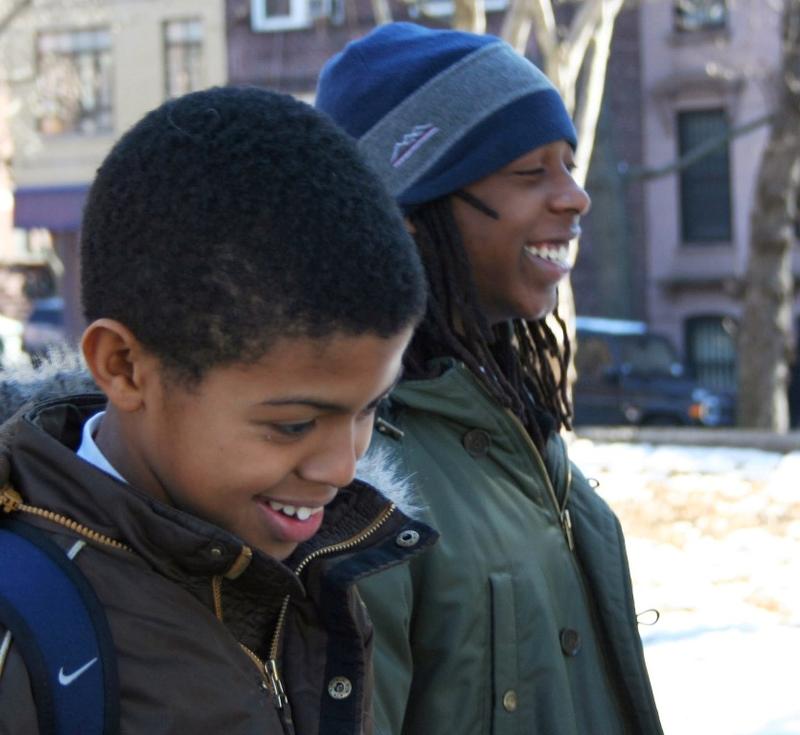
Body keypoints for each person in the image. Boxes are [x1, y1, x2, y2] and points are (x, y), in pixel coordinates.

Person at [0, 85, 434, 734]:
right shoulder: (22, 628)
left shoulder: (314, 570)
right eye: (292, 423)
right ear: (123, 366)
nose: (344, 466)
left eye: (370, 407)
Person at [316, 22, 664, 735]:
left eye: (568, 165)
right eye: (530, 172)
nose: (575, 198)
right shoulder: (353, 474)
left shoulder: (514, 416)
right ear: (412, 213)